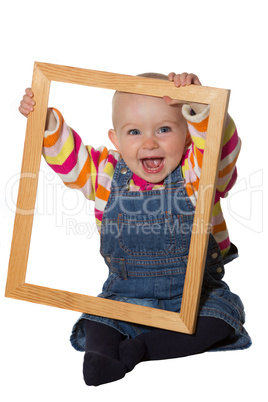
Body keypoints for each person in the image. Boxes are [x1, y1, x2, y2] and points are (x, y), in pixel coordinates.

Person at [19, 72, 251, 386]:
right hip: (125, 297)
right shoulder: (104, 172)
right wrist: (43, 120)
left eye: (165, 129)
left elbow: (219, 152)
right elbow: (70, 160)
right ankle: (100, 356)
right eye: (134, 132)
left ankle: (139, 349)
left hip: (194, 298)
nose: (149, 142)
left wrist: (200, 107)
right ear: (116, 139)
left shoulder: (197, 171)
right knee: (99, 318)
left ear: (186, 134)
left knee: (219, 320)